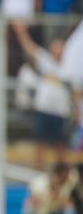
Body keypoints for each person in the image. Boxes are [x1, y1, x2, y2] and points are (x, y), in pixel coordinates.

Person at [13, 21, 73, 169]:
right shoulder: (45, 61)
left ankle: (61, 178)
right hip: (44, 110)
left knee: (61, 148)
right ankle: (38, 176)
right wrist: (21, 32)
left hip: (61, 113)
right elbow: (29, 47)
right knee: (40, 146)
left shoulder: (69, 67)